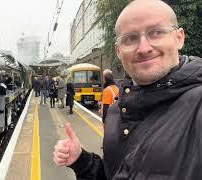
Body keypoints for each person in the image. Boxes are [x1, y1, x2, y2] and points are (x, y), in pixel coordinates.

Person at [53, 0, 202, 179]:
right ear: (118, 51)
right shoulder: (117, 111)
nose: (144, 48)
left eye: (156, 33)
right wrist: (83, 162)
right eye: (130, 38)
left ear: (179, 38)